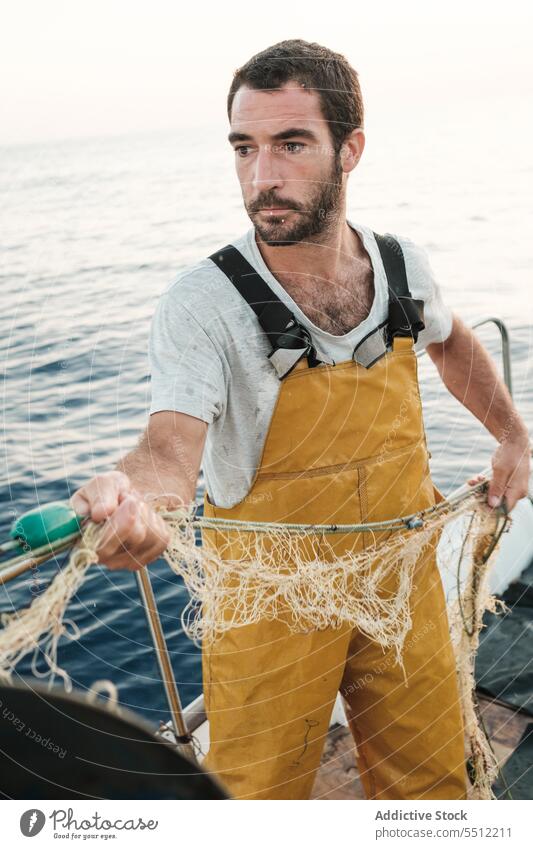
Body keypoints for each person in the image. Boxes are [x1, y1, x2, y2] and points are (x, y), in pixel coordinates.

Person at [71, 39, 531, 800]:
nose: (262, 177)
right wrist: (135, 499)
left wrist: (512, 435)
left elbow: (451, 346)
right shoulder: (203, 303)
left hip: (400, 578)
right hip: (268, 604)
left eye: (290, 144)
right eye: (244, 148)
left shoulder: (401, 265)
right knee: (255, 797)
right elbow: (167, 449)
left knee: (431, 781)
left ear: (349, 149)